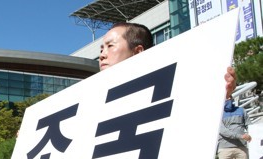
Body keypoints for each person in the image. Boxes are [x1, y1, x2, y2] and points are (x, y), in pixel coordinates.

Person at [99, 22, 237, 101]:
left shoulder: (167, 90)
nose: (102, 55)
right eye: (101, 49)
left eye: (110, 46)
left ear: (137, 52)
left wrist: (218, 95)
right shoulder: (92, 101)